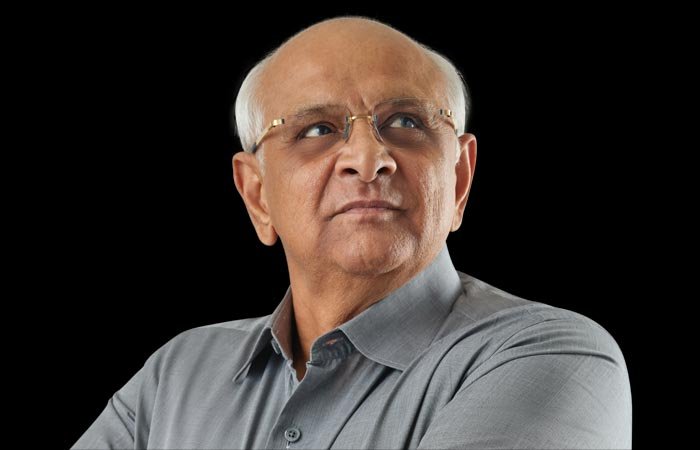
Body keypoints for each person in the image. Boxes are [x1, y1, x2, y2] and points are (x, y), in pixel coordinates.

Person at [72, 16, 632, 449]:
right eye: (317, 129)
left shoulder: (550, 357)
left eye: (406, 122)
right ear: (257, 195)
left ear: (459, 179)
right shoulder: (176, 375)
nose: (368, 159)